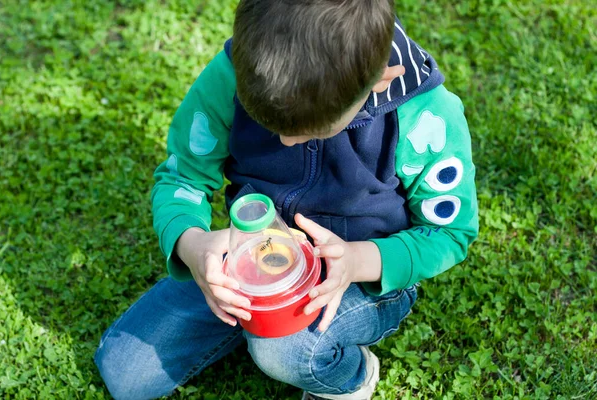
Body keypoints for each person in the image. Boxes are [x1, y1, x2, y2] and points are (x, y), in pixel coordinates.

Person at [94, 1, 479, 399]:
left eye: (313, 131)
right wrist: (192, 246)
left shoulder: (425, 117)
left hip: (358, 275)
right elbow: (182, 175)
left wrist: (357, 260)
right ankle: (254, 327)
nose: (286, 142)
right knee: (125, 375)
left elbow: (450, 232)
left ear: (379, 81)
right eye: (267, 123)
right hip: (251, 261)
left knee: (283, 348)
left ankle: (350, 378)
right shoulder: (234, 74)